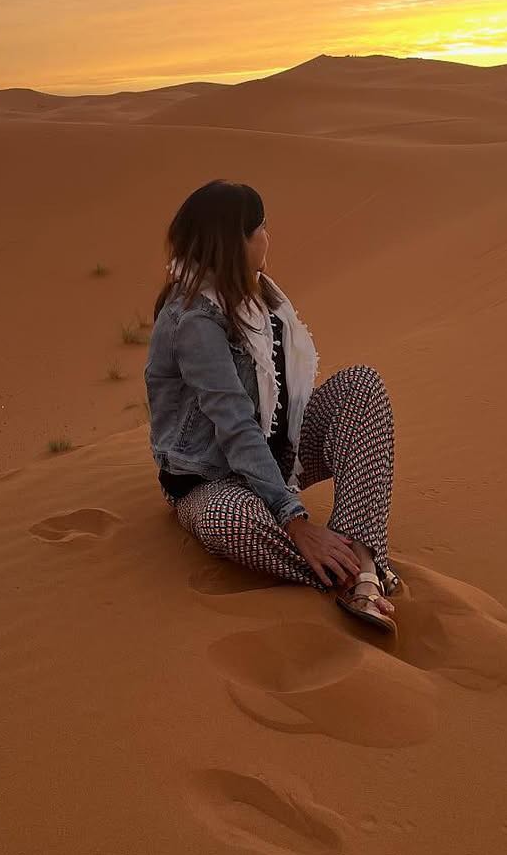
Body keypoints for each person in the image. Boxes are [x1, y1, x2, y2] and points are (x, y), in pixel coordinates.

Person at [145, 179, 399, 633]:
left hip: (274, 456)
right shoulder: (194, 321)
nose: (268, 238)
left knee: (362, 386)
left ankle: (359, 557)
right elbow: (236, 424)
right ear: (235, 242)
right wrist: (297, 521)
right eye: (260, 228)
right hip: (209, 479)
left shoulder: (258, 295)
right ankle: (350, 574)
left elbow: (278, 399)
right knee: (231, 521)